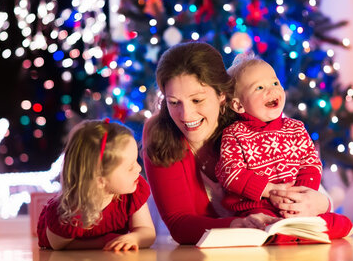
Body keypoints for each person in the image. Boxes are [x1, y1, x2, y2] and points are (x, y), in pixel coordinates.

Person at [142, 41, 332, 245]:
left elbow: (304, 184)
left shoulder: (250, 118)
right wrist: (239, 225)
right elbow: (179, 223)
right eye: (174, 102)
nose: (186, 115)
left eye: (197, 100)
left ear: (222, 96)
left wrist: (320, 202)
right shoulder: (161, 133)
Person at [215, 55, 353, 239]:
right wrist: (270, 190)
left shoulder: (295, 128)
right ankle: (283, 232)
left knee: (341, 223)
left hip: (295, 202)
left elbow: (310, 164)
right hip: (259, 204)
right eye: (259, 88)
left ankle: (299, 229)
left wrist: (300, 196)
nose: (271, 91)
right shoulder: (235, 134)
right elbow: (231, 173)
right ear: (239, 105)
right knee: (261, 224)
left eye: (274, 83)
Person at [37, 119, 156, 251]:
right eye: (130, 167)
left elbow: (147, 232)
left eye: (136, 161)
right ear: (100, 180)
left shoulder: (133, 190)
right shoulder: (69, 211)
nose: (139, 169)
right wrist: (103, 242)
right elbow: (59, 245)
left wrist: (135, 238)